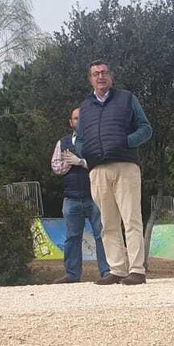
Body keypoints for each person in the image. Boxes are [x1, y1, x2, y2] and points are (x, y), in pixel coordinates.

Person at [73, 60, 153, 285]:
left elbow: (145, 128)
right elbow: (79, 138)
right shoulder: (85, 107)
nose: (100, 77)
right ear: (90, 79)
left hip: (125, 166)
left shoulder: (127, 98)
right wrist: (84, 152)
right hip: (97, 170)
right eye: (96, 73)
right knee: (107, 222)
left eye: (104, 72)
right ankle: (116, 268)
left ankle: (137, 270)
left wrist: (126, 142)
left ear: (111, 76)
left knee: (131, 219)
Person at [49, 106, 110, 283]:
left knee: (102, 235)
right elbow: (56, 167)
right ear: (71, 122)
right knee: (72, 237)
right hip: (71, 198)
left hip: (95, 196)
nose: (79, 121)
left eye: (82, 118)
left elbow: (102, 162)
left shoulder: (96, 140)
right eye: (76, 118)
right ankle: (71, 275)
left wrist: (80, 161)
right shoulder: (63, 142)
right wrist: (70, 163)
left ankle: (107, 272)